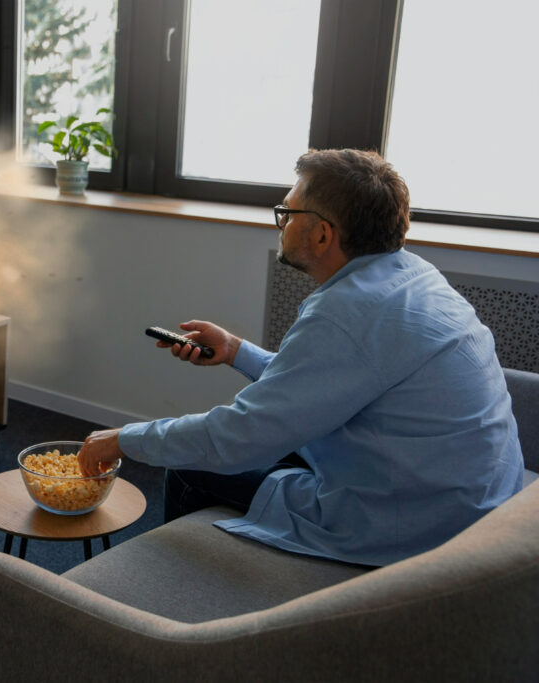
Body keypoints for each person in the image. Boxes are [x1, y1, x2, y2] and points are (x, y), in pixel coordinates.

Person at [77, 148, 524, 567]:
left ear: (323, 233)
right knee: (272, 448)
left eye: (287, 213)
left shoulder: (346, 313)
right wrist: (236, 351)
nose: (281, 222)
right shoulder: (413, 277)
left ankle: (175, 611)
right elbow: (317, 388)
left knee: (189, 468)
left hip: (418, 523)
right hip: (473, 497)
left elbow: (237, 437)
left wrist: (123, 439)